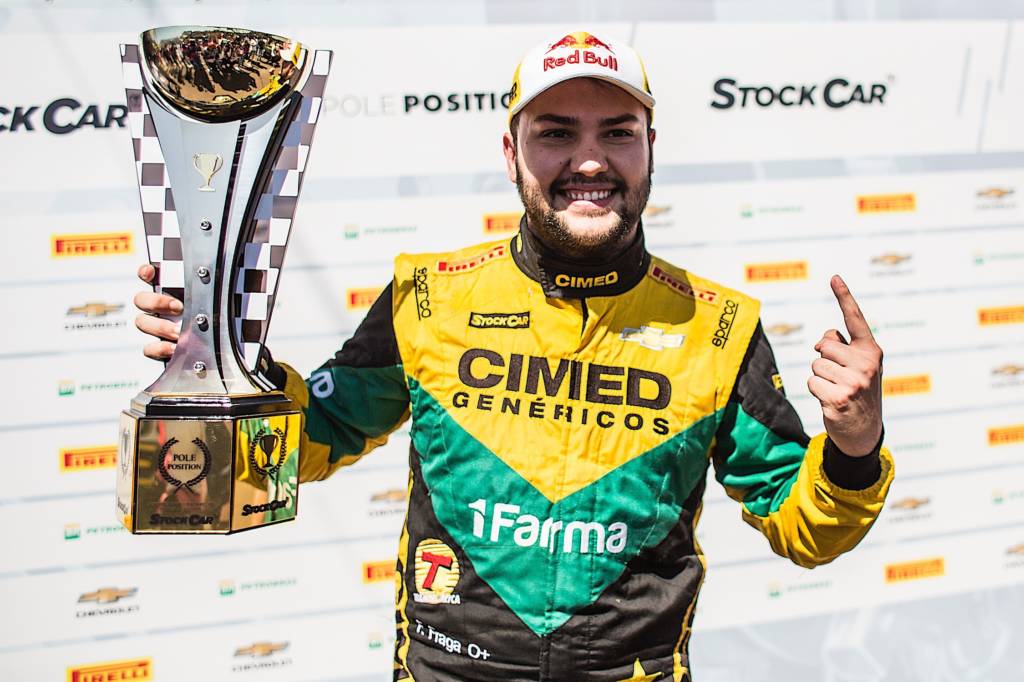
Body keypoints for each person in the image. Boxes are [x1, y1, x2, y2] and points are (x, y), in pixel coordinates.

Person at [134, 31, 893, 682]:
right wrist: (224, 367)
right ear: (511, 152)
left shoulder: (717, 327)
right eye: (556, 133)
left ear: (650, 149)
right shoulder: (427, 298)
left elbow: (807, 529)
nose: (589, 161)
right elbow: (311, 439)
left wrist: (855, 447)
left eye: (617, 133)